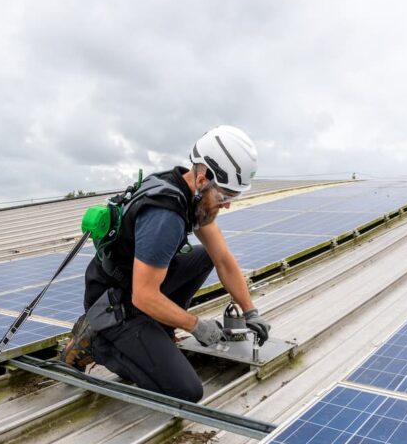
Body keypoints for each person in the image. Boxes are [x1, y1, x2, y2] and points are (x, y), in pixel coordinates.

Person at [60, 125, 270, 402]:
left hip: (135, 288)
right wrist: (195, 325)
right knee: (186, 391)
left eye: (233, 197)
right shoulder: (165, 215)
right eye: (224, 196)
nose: (227, 205)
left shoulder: (186, 193)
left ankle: (158, 330)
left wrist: (250, 310)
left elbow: (223, 260)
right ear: (203, 177)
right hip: (113, 305)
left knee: (204, 256)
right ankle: (96, 343)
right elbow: (145, 296)